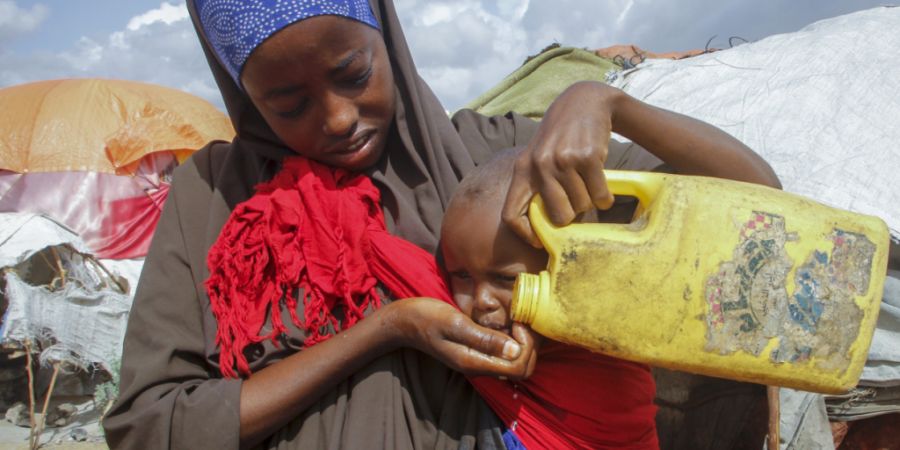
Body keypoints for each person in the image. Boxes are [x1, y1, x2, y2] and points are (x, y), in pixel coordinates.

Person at [102, 0, 780, 449]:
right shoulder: (216, 198)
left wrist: (605, 103)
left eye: (353, 73)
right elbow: (151, 425)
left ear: (387, 42)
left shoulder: (492, 158)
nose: (337, 118)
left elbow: (754, 198)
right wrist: (385, 330)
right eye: (287, 102)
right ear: (244, 99)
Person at [440, 148, 658, 450]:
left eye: (506, 279)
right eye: (461, 276)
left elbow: (746, 180)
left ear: (575, 270)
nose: (482, 301)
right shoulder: (457, 350)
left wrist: (611, 104)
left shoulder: (610, 352)